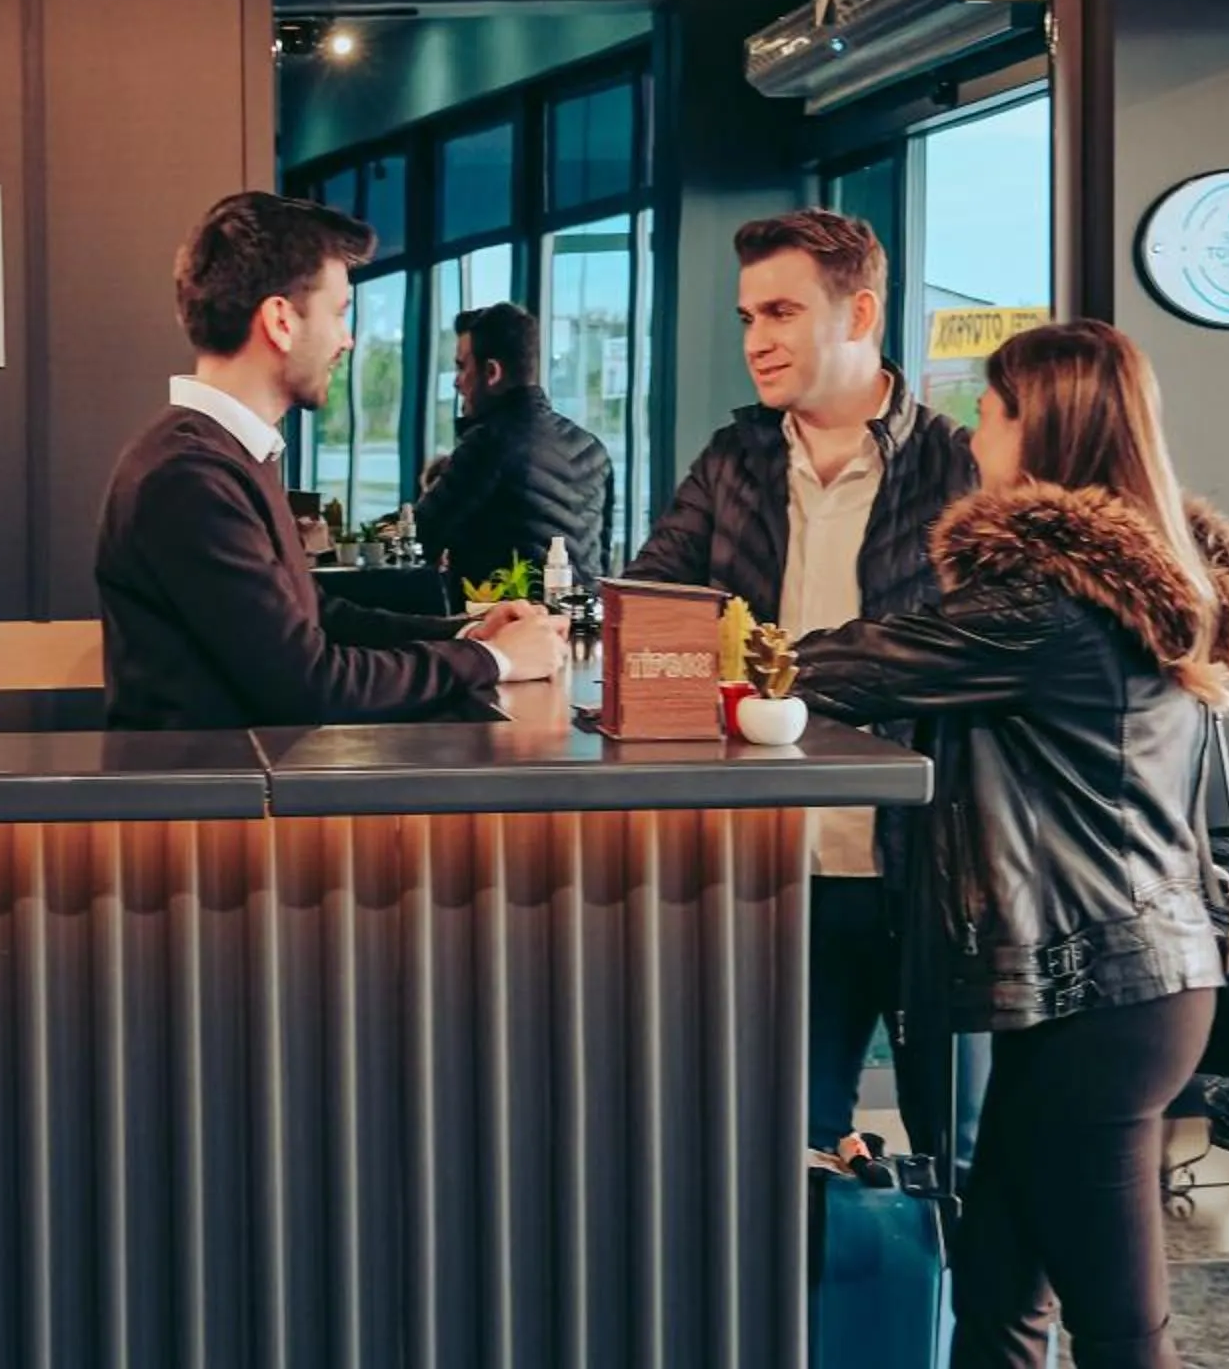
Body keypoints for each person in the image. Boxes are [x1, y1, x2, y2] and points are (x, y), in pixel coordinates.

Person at [789, 320, 1229, 1369]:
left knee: (1116, 1320)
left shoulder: (1046, 607)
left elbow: (859, 662)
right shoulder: (1136, 587)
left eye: (992, 409)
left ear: (1045, 428)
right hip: (1120, 982)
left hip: (1106, 995)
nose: (975, 432)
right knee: (1001, 1288)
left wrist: (727, 659)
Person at [623, 209, 980, 1163]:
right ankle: (811, 1312)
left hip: (926, 859)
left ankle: (969, 1313)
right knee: (786, 1140)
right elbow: (653, 614)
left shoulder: (957, 466)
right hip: (770, 851)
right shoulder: (733, 460)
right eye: (747, 317)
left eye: (780, 312)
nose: (757, 341)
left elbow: (972, 652)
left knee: (961, 1148)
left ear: (859, 312)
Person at [95, 193, 566, 730]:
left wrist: (468, 633)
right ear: (280, 321)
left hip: (253, 789)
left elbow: (319, 617)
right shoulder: (186, 479)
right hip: (217, 804)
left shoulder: (224, 455)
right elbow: (312, 686)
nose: (347, 340)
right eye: (339, 312)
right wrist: (496, 660)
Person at [413, 302, 613, 584]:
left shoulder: (488, 443)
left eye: (461, 367)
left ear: (492, 372)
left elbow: (418, 534)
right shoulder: (594, 449)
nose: (456, 382)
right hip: (581, 624)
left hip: (508, 621)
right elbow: (600, 566)